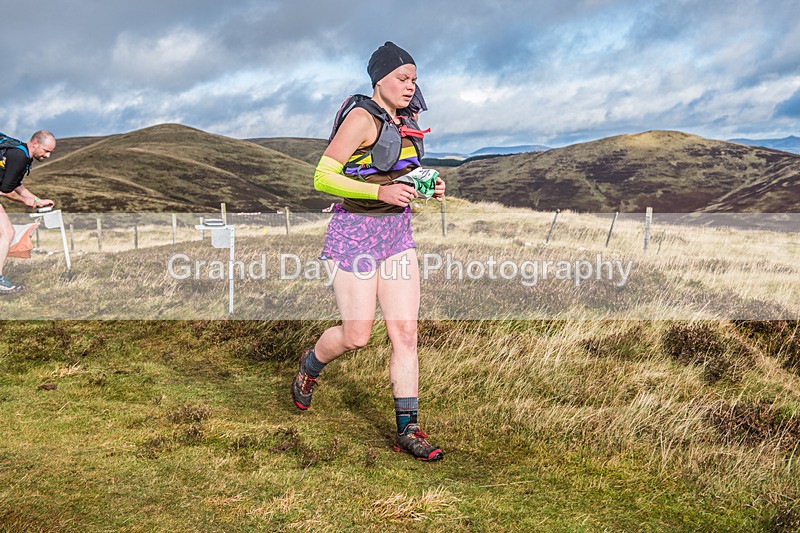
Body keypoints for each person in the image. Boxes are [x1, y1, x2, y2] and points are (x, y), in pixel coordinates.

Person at [291, 42, 446, 461]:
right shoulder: (361, 118)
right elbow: (323, 178)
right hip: (354, 235)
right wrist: (379, 191)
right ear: (379, 79)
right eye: (402, 78)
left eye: (414, 79)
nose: (410, 86)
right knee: (357, 335)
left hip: (397, 236)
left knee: (406, 335)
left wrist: (426, 184)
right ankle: (311, 365)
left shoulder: (406, 119)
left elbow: (402, 171)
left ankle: (408, 430)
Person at [0, 130, 56, 293]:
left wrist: (37, 200)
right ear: (35, 143)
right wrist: (26, 200)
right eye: (46, 151)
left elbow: (17, 184)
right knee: (7, 232)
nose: (47, 156)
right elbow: (6, 191)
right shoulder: (19, 157)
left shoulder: (22, 154)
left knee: (6, 232)